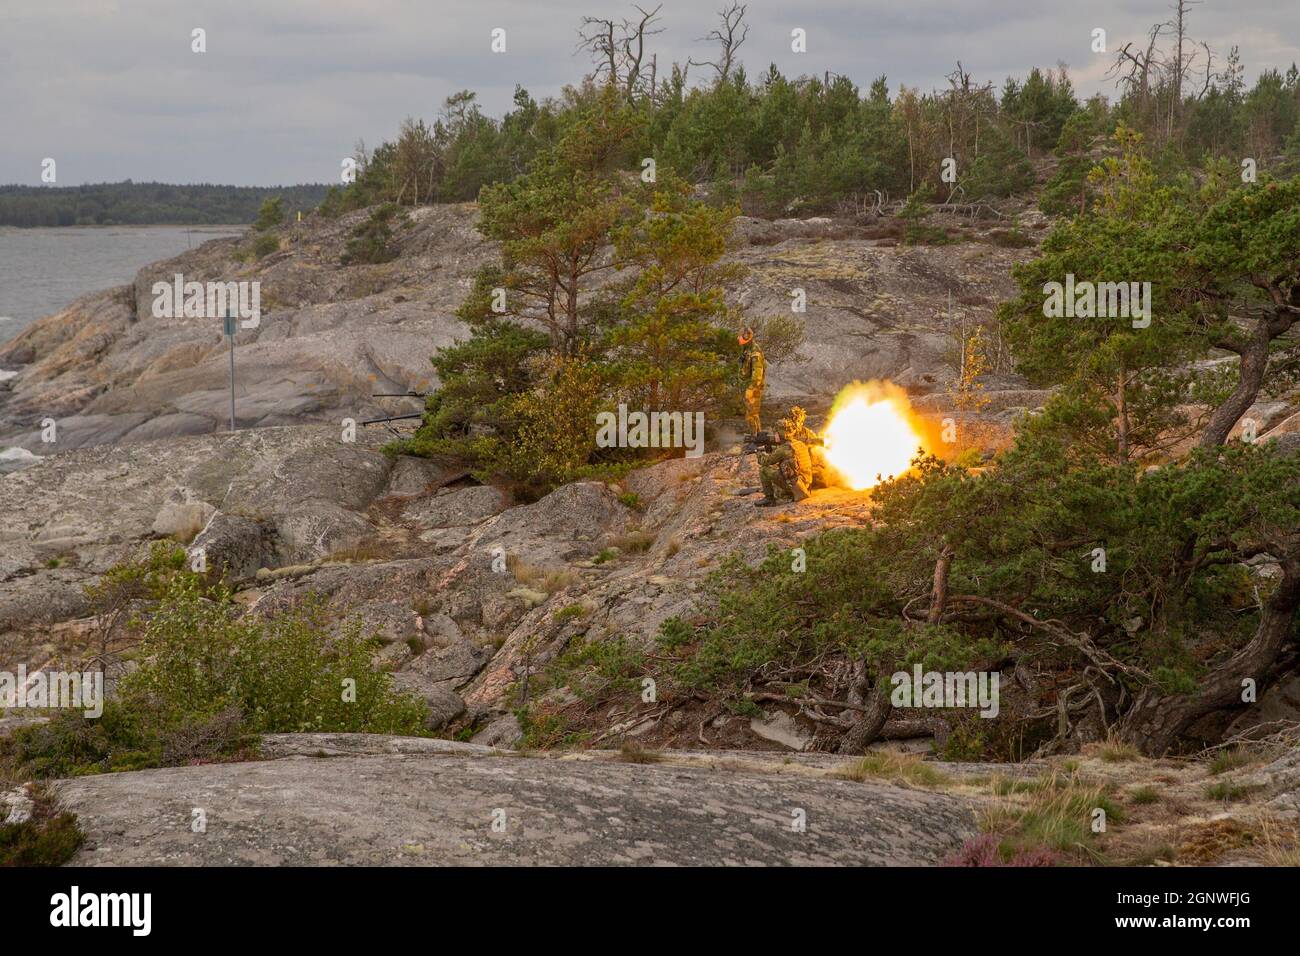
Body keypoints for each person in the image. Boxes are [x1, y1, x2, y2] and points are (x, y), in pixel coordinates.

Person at [757, 409, 813, 506]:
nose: (775, 435)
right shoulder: (799, 444)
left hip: (797, 484)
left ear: (779, 434)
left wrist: (757, 451)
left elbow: (765, 461)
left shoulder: (784, 449)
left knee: (763, 470)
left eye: (776, 433)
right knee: (783, 468)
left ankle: (769, 499)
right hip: (806, 482)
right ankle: (790, 492)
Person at [738, 327, 765, 436]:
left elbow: (757, 375)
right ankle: (758, 437)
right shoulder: (747, 349)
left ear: (746, 337)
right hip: (749, 386)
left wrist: (750, 389)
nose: (738, 338)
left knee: (751, 414)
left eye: (740, 336)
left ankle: (755, 437)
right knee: (752, 413)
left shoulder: (755, 352)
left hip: (754, 387)